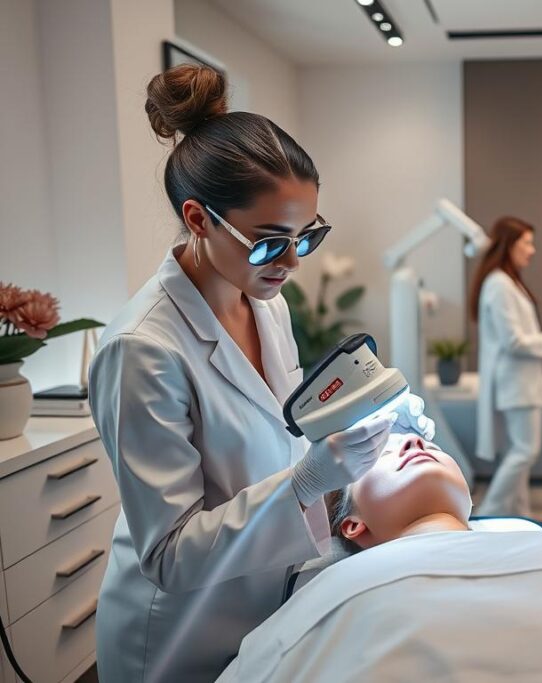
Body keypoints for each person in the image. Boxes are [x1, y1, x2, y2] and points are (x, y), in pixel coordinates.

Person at [87, 64, 432, 681]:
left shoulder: (267, 304)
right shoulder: (142, 350)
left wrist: (373, 432)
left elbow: (284, 430)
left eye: (308, 236)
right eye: (272, 242)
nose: (294, 262)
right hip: (178, 636)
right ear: (198, 219)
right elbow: (167, 555)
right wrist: (304, 483)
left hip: (263, 604)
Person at [215, 432, 542, 682]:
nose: (408, 445)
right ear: (353, 526)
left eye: (420, 443)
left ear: (469, 496)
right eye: (378, 456)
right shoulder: (335, 590)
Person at [469, 217, 542, 516]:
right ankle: (488, 513)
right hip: (515, 383)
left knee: (517, 450)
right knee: (525, 451)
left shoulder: (507, 282)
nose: (532, 249)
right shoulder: (499, 285)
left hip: (519, 382)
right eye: (526, 242)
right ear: (508, 245)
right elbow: (512, 341)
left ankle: (521, 516)